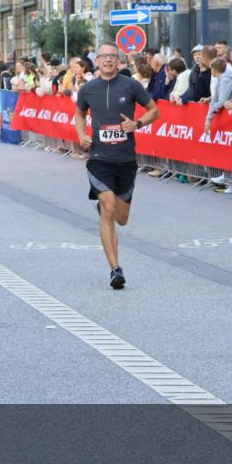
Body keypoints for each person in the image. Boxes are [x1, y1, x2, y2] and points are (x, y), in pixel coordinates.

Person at [74, 43, 160, 289]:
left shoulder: (130, 85)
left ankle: (107, 210)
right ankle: (115, 269)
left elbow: (154, 111)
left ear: (118, 60)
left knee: (120, 218)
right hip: (99, 159)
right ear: (97, 61)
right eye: (104, 57)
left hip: (125, 160)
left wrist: (138, 124)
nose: (108, 60)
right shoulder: (88, 89)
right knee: (108, 206)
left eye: (112, 57)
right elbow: (80, 114)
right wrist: (82, 135)